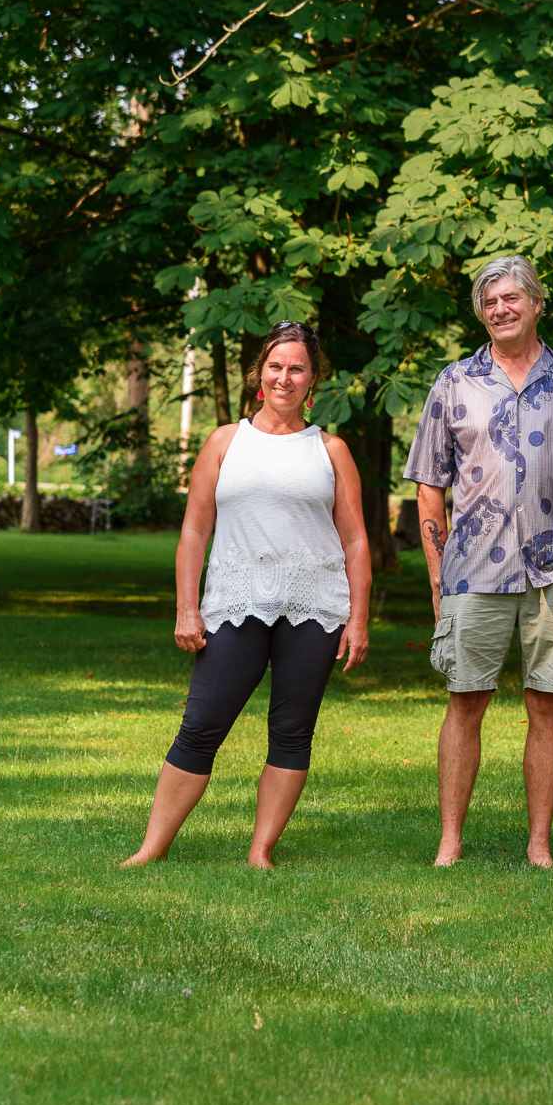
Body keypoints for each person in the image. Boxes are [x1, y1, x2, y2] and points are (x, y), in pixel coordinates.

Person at [403, 255, 553, 868]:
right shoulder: (454, 382)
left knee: (546, 702)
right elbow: (429, 482)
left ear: (536, 304)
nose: (500, 309)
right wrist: (436, 570)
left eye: (511, 298)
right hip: (471, 569)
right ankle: (450, 842)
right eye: (489, 302)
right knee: (465, 700)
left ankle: (539, 845)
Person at [122, 321, 371, 869]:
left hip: (314, 606)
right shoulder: (224, 442)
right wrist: (187, 608)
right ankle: (151, 849)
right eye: (276, 366)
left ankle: (261, 852)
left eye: (297, 368)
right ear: (260, 374)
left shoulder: (331, 450)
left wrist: (359, 620)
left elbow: (354, 541)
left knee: (291, 730)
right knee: (202, 723)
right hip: (236, 601)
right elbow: (194, 530)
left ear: (314, 380)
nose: (285, 377)